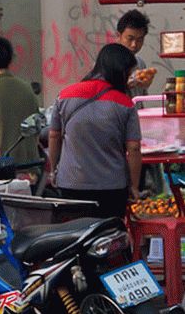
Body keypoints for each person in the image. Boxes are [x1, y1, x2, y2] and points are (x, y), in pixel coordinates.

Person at [48, 44, 141, 219]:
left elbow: (54, 135)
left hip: (71, 184)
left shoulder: (65, 95)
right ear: (120, 72)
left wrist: (53, 170)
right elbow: (134, 148)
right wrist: (134, 186)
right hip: (112, 188)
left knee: (74, 238)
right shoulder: (126, 103)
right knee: (110, 237)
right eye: (128, 74)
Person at [0, 36, 40, 165]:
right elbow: (37, 129)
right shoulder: (27, 88)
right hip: (30, 168)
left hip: (0, 170)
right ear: (11, 58)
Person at [116, 9, 154, 97]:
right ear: (118, 36)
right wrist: (126, 85)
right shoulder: (106, 62)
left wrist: (146, 84)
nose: (134, 45)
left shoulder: (140, 63)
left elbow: (142, 97)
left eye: (139, 40)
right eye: (130, 38)